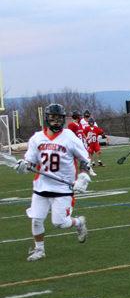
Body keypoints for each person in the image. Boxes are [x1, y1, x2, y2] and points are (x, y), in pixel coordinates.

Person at [14, 103, 90, 261]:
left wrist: (83, 176)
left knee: (60, 223)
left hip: (63, 187)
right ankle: (39, 250)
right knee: (36, 219)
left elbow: (85, 159)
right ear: (47, 119)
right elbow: (31, 162)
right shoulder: (37, 138)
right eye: (52, 118)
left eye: (59, 118)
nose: (56, 121)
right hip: (41, 186)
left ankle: (78, 222)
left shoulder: (69, 137)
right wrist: (24, 166)